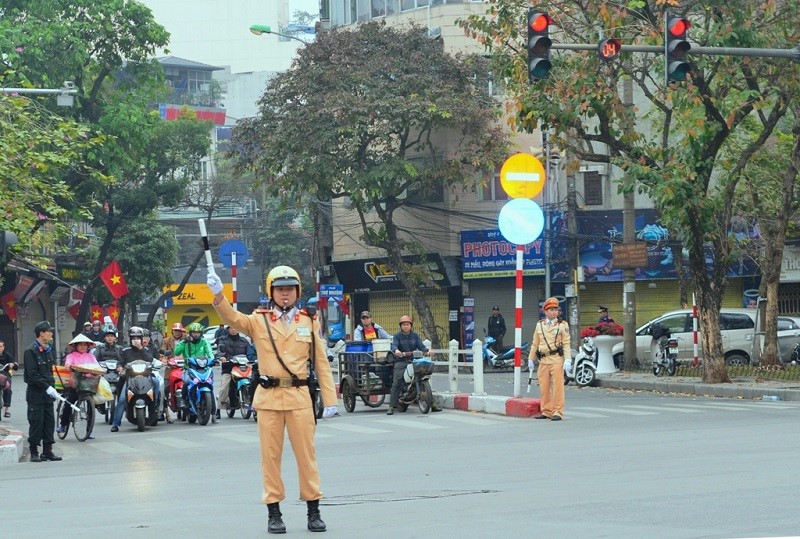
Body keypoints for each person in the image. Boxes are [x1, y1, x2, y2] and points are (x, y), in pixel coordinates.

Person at [207, 264, 337, 534]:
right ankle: (274, 513)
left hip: (300, 397)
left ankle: (314, 511)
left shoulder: (308, 319)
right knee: (270, 458)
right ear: (271, 292)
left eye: (290, 289)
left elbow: (321, 362)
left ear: (297, 291)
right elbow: (233, 319)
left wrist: (330, 399)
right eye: (280, 289)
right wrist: (219, 295)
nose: (285, 294)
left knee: (307, 457)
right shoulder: (258, 320)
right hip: (268, 398)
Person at [23, 320, 62, 462]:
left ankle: (47, 451)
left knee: (49, 422)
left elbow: (49, 373)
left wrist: (55, 388)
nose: (51, 333)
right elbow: (32, 375)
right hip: (36, 394)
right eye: (48, 331)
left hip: (47, 395)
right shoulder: (31, 351)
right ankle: (34, 451)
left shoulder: (46, 350)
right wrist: (47, 387)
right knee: (36, 422)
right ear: (41, 333)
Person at [528, 297, 571, 421]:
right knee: (544, 387)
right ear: (545, 311)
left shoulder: (563, 325)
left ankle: (558, 411)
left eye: (556, 309)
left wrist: (567, 359)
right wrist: (531, 359)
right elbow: (535, 343)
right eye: (551, 310)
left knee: (558, 387)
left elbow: (566, 343)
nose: (554, 312)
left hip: (557, 359)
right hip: (543, 360)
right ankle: (546, 411)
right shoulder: (539, 325)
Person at [110, 326, 156, 432]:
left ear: (141, 338)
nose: (135, 340)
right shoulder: (125, 350)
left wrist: (140, 347)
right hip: (130, 378)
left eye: (137, 337)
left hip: (146, 377)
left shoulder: (146, 349)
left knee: (157, 383)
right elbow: (120, 362)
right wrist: (119, 367)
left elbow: (150, 359)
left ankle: (157, 410)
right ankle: (116, 423)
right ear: (130, 339)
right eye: (133, 338)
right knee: (122, 399)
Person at [58, 334, 101, 438]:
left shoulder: (91, 356)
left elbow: (97, 367)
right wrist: (69, 367)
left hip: (88, 384)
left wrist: (97, 371)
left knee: (91, 407)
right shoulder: (71, 356)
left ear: (87, 346)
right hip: (75, 384)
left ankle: (88, 431)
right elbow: (67, 365)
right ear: (76, 346)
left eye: (84, 345)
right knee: (69, 402)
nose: (82, 347)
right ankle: (63, 424)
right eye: (80, 345)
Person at [387, 315, 431, 416]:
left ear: (411, 326)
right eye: (404, 325)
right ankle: (391, 406)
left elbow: (421, 346)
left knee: (422, 377)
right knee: (396, 381)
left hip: (414, 360)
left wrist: (428, 351)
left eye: (407, 324)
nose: (406, 326)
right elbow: (394, 345)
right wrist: (396, 351)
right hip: (401, 361)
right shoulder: (397, 336)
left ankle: (431, 403)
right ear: (401, 326)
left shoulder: (415, 336)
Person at [215, 325, 250, 419]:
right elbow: (219, 351)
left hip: (242, 367)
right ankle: (218, 409)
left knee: (253, 382)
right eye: (231, 328)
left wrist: (253, 358)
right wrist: (222, 357)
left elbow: (250, 352)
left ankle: (253, 405)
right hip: (228, 368)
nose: (234, 329)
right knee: (224, 386)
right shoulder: (222, 339)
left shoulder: (244, 341)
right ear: (228, 329)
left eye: (235, 328)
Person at [0, 339, 19, 419]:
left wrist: (13, 364)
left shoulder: (7, 355)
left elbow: (16, 366)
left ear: (3, 347)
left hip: (4, 375)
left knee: (8, 388)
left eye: (0, 346)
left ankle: (7, 408)